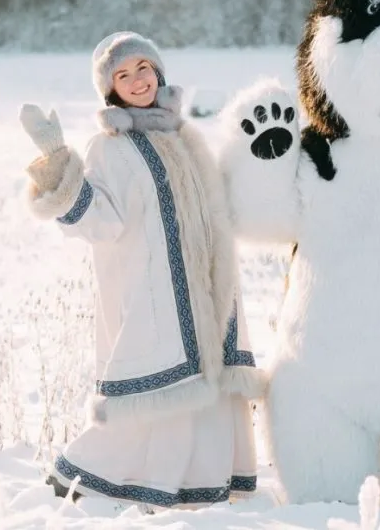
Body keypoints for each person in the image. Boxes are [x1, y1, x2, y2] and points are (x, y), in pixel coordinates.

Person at [19, 31, 267, 508]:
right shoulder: (108, 148)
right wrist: (57, 166)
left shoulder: (187, 136)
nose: (137, 81)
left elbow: (218, 205)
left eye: (143, 69)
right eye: (123, 75)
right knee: (163, 384)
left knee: (209, 380)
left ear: (159, 73)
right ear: (110, 88)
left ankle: (204, 481)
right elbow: (100, 220)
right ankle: (95, 474)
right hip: (155, 291)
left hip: (211, 285)